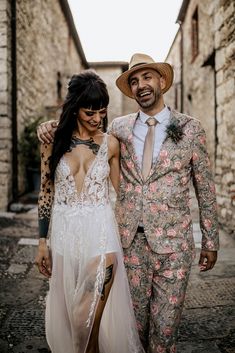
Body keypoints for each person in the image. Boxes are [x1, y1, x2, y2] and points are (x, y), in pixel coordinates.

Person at [37, 54, 219, 353]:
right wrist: (47, 125)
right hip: (128, 241)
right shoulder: (119, 128)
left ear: (162, 81)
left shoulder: (190, 128)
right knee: (132, 328)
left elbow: (205, 187)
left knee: (164, 331)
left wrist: (210, 240)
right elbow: (78, 126)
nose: (141, 85)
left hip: (172, 243)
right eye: (134, 81)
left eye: (147, 77)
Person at [35, 70, 144, 353]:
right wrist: (42, 243)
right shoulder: (52, 141)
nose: (97, 119)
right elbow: (46, 192)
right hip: (65, 237)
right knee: (77, 326)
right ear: (74, 109)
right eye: (89, 112)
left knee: (86, 319)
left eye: (102, 112)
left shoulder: (110, 144)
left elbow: (124, 195)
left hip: (101, 236)